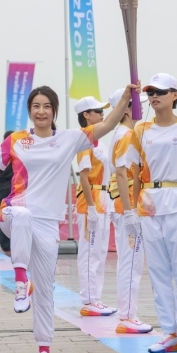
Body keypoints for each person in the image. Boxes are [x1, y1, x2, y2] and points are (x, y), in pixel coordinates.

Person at [0, 83, 139, 353]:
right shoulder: (16, 140)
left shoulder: (69, 139)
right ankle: (20, 281)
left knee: (46, 291)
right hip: (13, 212)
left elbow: (108, 124)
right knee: (22, 216)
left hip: (48, 224)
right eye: (36, 106)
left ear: (54, 111)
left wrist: (125, 97)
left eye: (47, 106)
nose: (41, 111)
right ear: (29, 110)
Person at [124, 74, 177, 353]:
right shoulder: (140, 130)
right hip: (149, 204)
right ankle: (169, 332)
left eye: (160, 92)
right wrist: (133, 211)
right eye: (151, 92)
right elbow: (135, 172)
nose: (154, 96)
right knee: (158, 271)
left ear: (174, 95)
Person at [106, 89, 153, 334]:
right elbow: (122, 174)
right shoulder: (126, 135)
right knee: (132, 262)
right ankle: (127, 316)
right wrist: (130, 212)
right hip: (127, 208)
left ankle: (126, 314)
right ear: (125, 109)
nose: (141, 108)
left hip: (123, 206)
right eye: (136, 104)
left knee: (128, 261)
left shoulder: (122, 133)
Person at [73, 96, 116, 317]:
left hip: (104, 199)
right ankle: (88, 299)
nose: (102, 114)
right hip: (90, 200)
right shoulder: (83, 140)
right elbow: (83, 177)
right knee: (89, 252)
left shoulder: (102, 143)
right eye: (98, 111)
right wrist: (90, 207)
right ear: (86, 115)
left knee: (99, 252)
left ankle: (96, 298)